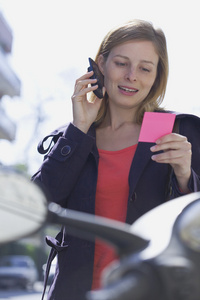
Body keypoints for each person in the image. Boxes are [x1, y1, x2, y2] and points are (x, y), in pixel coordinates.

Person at [32, 19, 200, 300]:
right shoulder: (74, 136)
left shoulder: (175, 131)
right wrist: (79, 129)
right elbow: (37, 203)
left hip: (149, 291)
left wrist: (185, 177)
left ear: (157, 75)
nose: (132, 75)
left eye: (145, 68)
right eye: (121, 63)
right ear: (100, 65)